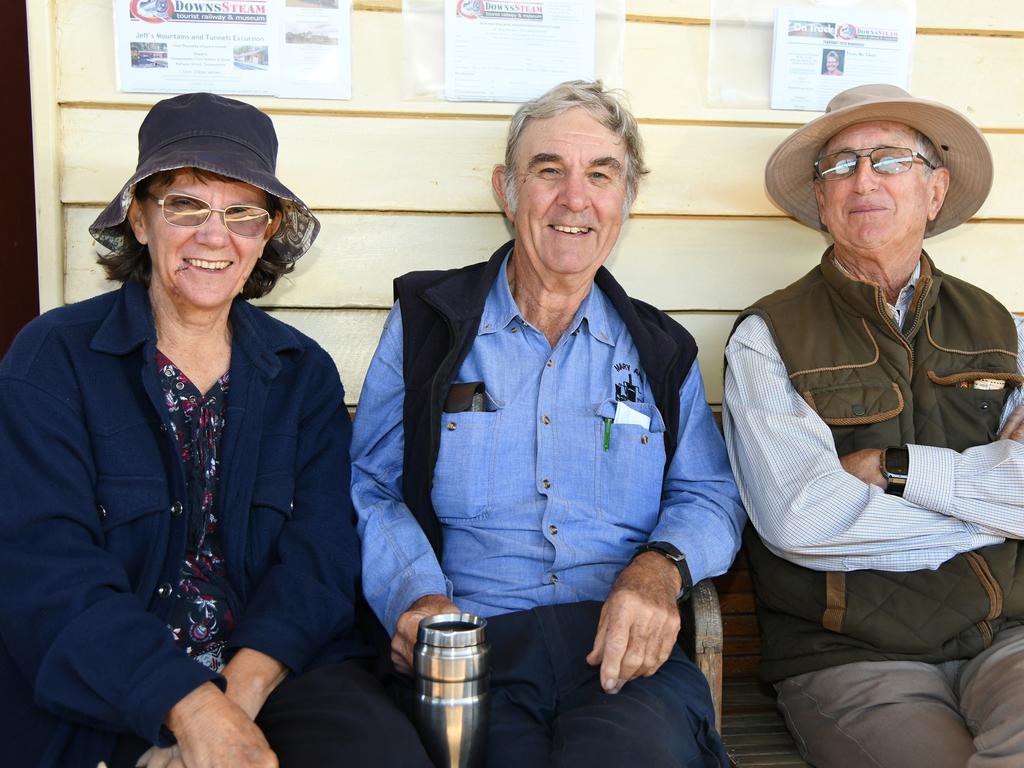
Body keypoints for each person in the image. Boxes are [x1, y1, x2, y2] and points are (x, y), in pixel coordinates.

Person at [0, 92, 430, 768]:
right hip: (107, 684)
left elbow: (320, 557)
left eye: (241, 213)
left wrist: (231, 705)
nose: (213, 235)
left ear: (267, 233)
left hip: (272, 670)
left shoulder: (300, 373)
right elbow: (47, 568)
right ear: (140, 219)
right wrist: (187, 710)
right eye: (186, 206)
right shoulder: (51, 361)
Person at [351, 80, 745, 768]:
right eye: (548, 170)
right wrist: (418, 597)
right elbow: (373, 486)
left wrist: (660, 570)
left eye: (602, 174)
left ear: (627, 199)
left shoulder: (661, 350)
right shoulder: (428, 324)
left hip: (620, 655)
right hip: (473, 648)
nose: (575, 198)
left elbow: (710, 494)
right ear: (507, 190)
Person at [723, 83, 1024, 767]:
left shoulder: (999, 326)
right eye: (841, 165)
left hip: (1004, 635)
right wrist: (998, 506)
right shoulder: (768, 336)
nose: (864, 180)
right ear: (821, 197)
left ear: (935, 191)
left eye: (890, 160)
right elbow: (805, 521)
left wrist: (901, 471)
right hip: (849, 655)